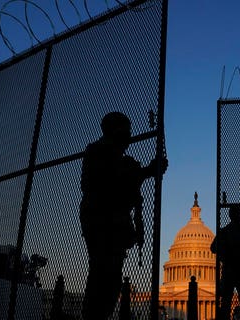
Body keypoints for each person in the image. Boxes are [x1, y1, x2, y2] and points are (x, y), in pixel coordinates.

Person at [79, 111, 167, 320]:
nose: (129, 137)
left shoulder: (119, 158)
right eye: (126, 131)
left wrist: (148, 171)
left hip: (114, 225)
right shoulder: (98, 152)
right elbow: (103, 183)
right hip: (102, 223)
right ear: (114, 131)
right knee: (103, 276)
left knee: (111, 280)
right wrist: (142, 172)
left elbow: (129, 179)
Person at [210, 206, 240, 320]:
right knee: (239, 302)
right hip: (236, 270)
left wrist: (227, 250)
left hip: (234, 270)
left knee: (230, 302)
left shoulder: (226, 232)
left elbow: (213, 248)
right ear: (237, 216)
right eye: (239, 213)